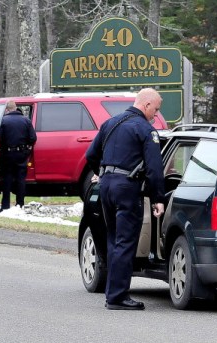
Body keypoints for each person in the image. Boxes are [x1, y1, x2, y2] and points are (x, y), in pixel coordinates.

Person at [85, 88, 166, 310]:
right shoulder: (145, 130)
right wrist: (158, 197)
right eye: (156, 110)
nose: (156, 115)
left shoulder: (111, 123)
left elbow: (91, 155)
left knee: (114, 240)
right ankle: (118, 297)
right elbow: (154, 168)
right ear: (147, 105)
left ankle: (112, 293)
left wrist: (101, 173)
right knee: (125, 242)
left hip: (107, 187)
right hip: (127, 189)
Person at [0, 101, 36, 215]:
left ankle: (5, 207)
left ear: (7, 110)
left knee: (7, 180)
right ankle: (20, 205)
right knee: (20, 180)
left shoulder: (3, 121)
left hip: (7, 154)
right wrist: (27, 149)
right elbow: (33, 138)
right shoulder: (26, 120)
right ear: (16, 108)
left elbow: (0, 138)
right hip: (22, 154)